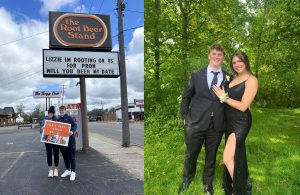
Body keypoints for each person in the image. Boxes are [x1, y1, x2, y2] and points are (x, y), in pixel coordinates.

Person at [179, 44, 228, 195]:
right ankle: (187, 179)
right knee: (191, 154)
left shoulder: (228, 77)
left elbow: (230, 99)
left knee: (211, 156)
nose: (216, 57)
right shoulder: (196, 75)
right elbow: (186, 97)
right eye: (214, 54)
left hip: (216, 125)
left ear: (223, 58)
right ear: (209, 56)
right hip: (196, 123)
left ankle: (208, 183)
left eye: (219, 55)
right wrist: (186, 117)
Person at [212, 51, 258, 195]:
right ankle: (241, 182)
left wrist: (223, 97)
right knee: (237, 155)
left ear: (246, 61)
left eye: (240, 61)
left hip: (241, 122)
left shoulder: (252, 80)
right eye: (234, 62)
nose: (237, 64)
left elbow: (244, 106)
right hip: (229, 121)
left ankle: (240, 190)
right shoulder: (233, 78)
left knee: (227, 158)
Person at [58, 105, 77, 181]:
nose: (61, 111)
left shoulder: (69, 118)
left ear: (65, 110)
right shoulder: (58, 119)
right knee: (65, 156)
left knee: (71, 156)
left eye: (63, 110)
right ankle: (67, 170)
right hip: (62, 141)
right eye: (60, 110)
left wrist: (72, 131)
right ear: (59, 111)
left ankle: (73, 172)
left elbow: (75, 125)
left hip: (70, 140)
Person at [40, 106, 60, 178]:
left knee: (56, 154)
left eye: (52, 113)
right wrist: (42, 129)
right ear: (48, 113)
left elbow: (61, 129)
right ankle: (50, 170)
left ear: (53, 114)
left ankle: (56, 169)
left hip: (55, 140)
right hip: (47, 140)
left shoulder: (57, 120)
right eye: (50, 113)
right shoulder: (44, 120)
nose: (50, 114)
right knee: (49, 154)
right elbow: (40, 131)